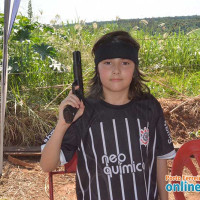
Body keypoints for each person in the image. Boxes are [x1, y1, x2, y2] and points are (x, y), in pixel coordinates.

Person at [40, 31, 176, 200]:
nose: (116, 70)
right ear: (97, 69)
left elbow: (160, 158)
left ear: (135, 69)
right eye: (108, 62)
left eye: (125, 62)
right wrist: (63, 124)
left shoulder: (149, 107)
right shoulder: (83, 111)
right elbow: (47, 164)